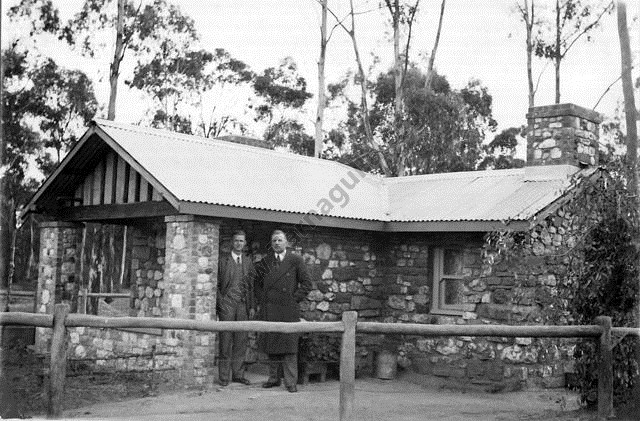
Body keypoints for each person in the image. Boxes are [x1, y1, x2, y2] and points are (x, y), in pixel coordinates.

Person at [253, 230, 312, 393]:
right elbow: (256, 284)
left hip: (288, 309)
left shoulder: (295, 260)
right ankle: (273, 378)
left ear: (286, 243)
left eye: (280, 240)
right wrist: (263, 299)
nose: (277, 243)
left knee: (289, 347)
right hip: (270, 309)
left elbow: (307, 283)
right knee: (271, 345)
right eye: (274, 241)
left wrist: (294, 299)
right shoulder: (265, 262)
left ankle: (290, 381)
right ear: (271, 244)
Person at [217, 230, 254, 386]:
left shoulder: (248, 261)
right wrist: (221, 304)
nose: (239, 243)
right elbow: (217, 286)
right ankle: (224, 377)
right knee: (225, 341)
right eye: (237, 241)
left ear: (245, 244)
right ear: (232, 243)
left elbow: (251, 286)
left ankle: (238, 374)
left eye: (242, 241)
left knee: (241, 341)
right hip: (228, 306)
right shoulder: (223, 261)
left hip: (243, 306)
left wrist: (251, 306)